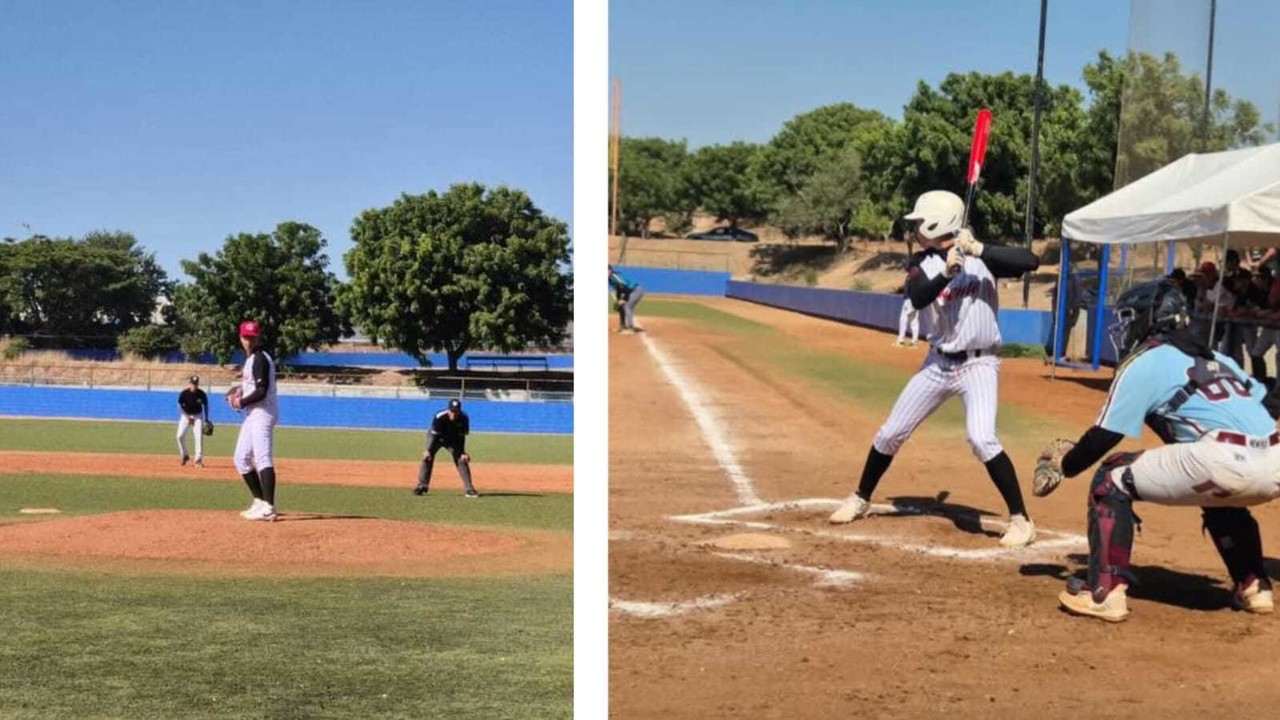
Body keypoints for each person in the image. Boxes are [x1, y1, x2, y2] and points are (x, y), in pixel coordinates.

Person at [1038, 280, 1280, 622]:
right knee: (1220, 494)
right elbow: (1266, 405)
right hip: (1273, 460)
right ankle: (1254, 585)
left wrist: (1067, 464)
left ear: (1149, 318)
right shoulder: (1218, 357)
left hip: (1224, 460)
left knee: (1110, 478)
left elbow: (1105, 436)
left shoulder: (1147, 360)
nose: (1124, 326)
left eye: (1130, 317)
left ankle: (1105, 593)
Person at [828, 190, 1041, 547]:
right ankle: (861, 498)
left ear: (937, 222)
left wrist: (979, 250)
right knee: (890, 432)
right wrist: (945, 273)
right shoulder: (921, 264)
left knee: (981, 438)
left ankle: (1021, 520)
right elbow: (917, 296)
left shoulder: (980, 256)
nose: (913, 229)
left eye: (918, 222)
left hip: (980, 364)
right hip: (938, 363)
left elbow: (1030, 261)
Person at [229, 320, 280, 521]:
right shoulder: (251, 359)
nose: (248, 341)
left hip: (263, 412)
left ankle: (269, 507)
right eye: (245, 337)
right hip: (253, 412)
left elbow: (261, 391)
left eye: (251, 337)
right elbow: (251, 387)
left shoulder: (260, 358)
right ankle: (259, 501)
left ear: (258, 337)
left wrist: (240, 402)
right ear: (240, 337)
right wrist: (236, 392)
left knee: (262, 458)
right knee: (241, 458)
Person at [413, 398, 479, 497]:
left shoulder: (464, 418)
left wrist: (462, 452)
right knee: (427, 458)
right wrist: (428, 451)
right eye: (452, 411)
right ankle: (422, 486)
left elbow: (462, 437)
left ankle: (469, 489)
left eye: (456, 411)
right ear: (448, 410)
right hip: (436, 437)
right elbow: (434, 436)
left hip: (452, 439)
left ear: (459, 411)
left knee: (461, 459)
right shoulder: (439, 416)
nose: (454, 414)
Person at [176, 375, 209, 468]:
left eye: (196, 384)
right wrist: (187, 417)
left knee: (198, 437)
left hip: (198, 416)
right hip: (185, 416)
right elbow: (179, 406)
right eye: (193, 383)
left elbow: (205, 405)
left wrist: (206, 418)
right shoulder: (184, 393)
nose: (194, 385)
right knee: (179, 436)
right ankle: (185, 455)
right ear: (190, 383)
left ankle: (198, 460)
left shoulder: (201, 394)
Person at [608, 265, 644, 334]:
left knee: (627, 306)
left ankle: (630, 328)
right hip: (630, 291)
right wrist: (618, 300)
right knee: (621, 306)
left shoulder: (615, 277)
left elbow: (626, 289)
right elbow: (618, 289)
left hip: (636, 290)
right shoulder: (609, 280)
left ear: (610, 271)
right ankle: (622, 326)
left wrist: (624, 299)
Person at [892, 283, 920, 348]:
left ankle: (900, 341)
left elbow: (907, 285)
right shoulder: (920, 275)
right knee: (914, 321)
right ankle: (914, 343)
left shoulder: (912, 274)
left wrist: (899, 289)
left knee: (903, 318)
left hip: (909, 300)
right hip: (918, 299)